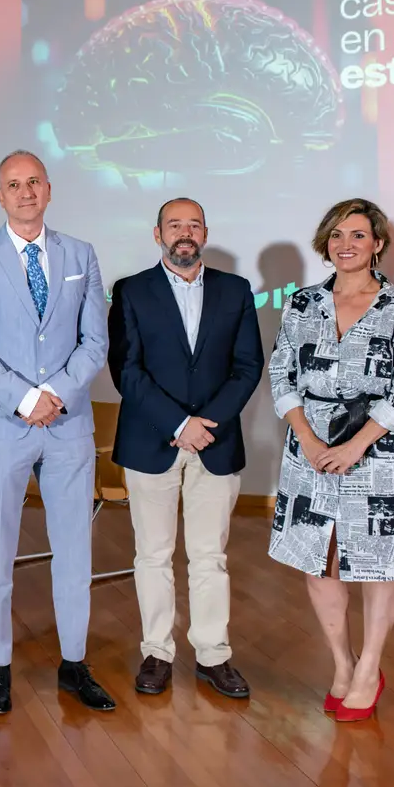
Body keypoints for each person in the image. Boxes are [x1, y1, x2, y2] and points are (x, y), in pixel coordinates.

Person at [0, 150, 113, 715]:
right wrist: (24, 399)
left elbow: (95, 341)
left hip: (67, 423)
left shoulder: (80, 254)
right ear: (0, 196)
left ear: (49, 189)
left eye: (33, 182)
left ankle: (73, 662)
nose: (24, 192)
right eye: (12, 185)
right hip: (3, 422)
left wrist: (56, 395)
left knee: (73, 548)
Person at [267, 198, 394, 722]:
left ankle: (370, 669)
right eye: (337, 235)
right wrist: (311, 442)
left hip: (379, 454)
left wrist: (356, 445)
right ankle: (343, 663)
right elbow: (281, 375)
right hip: (309, 453)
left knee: (379, 565)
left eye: (358, 235)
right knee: (322, 559)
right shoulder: (301, 305)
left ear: (377, 244)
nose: (346, 244)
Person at [107, 198, 263, 700]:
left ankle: (213, 655)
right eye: (175, 225)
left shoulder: (236, 291)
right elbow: (126, 369)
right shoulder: (131, 291)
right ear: (158, 234)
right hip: (152, 440)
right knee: (152, 555)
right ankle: (157, 651)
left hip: (215, 444)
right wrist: (178, 422)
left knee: (209, 556)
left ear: (206, 233)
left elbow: (247, 367)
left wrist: (205, 424)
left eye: (193, 224)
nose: (184, 233)